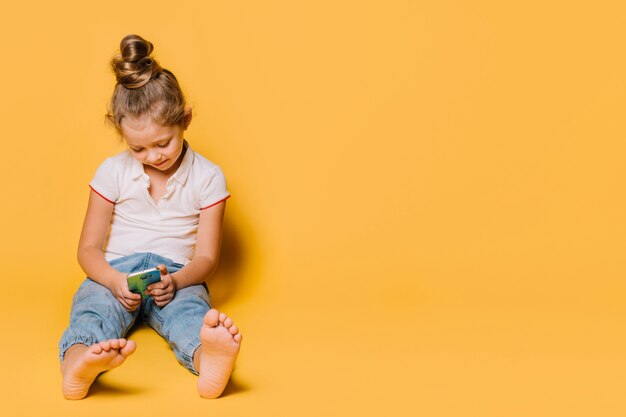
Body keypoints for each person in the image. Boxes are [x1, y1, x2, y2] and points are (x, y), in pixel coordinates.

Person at [58, 34, 242, 400]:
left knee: (190, 314)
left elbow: (206, 257)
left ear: (185, 119)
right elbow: (88, 249)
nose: (153, 156)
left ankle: (210, 361)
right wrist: (112, 281)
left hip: (176, 274)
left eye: (163, 143)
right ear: (120, 132)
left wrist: (177, 281)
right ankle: (78, 364)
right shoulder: (112, 172)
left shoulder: (208, 177)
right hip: (115, 271)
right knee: (91, 311)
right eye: (137, 148)